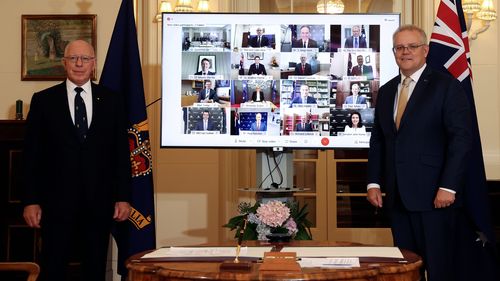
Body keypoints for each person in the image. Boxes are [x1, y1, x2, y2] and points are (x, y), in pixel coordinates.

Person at [366, 25, 473, 281]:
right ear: (394, 53)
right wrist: (373, 181)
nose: (405, 52)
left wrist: (448, 187)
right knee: (406, 269)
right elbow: (379, 140)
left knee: (438, 269)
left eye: (412, 46)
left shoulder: (446, 86)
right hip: (397, 198)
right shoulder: (388, 90)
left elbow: (461, 139)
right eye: (399, 47)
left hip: (434, 197)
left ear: (425, 50)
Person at [22, 40, 131, 281]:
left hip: (99, 204)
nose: (79, 64)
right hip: (55, 206)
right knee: (53, 268)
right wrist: (30, 200)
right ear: (64, 63)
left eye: (85, 59)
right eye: (73, 58)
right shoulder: (43, 101)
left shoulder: (112, 100)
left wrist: (123, 196)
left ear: (94, 64)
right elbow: (32, 156)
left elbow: (121, 153)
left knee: (94, 269)